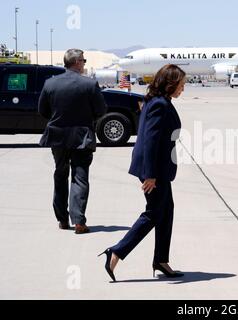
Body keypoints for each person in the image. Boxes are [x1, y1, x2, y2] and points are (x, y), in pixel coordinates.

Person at [99, 64, 186, 281]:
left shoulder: (156, 101)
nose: (183, 89)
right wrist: (150, 174)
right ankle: (117, 251)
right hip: (154, 168)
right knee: (154, 213)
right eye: (181, 85)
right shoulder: (159, 105)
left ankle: (161, 260)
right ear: (170, 84)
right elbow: (150, 140)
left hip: (159, 168)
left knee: (166, 211)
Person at [38, 48, 107, 234]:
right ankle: (78, 221)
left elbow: (42, 110)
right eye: (83, 60)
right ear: (76, 62)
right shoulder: (89, 84)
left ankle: (62, 219)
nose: (84, 64)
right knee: (80, 177)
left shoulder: (50, 83)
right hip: (82, 137)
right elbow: (101, 111)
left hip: (57, 136)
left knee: (60, 174)